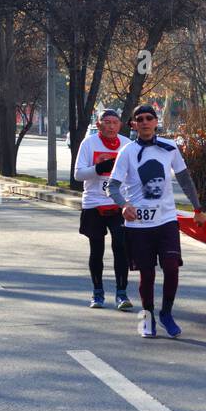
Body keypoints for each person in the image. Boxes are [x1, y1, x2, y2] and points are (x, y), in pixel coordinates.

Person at [107, 104, 206, 338]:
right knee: (147, 274)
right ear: (133, 124)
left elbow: (184, 179)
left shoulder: (170, 148)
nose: (144, 122)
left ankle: (167, 313)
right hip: (139, 225)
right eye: (139, 119)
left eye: (148, 118)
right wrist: (124, 205)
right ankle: (147, 316)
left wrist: (197, 208)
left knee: (172, 268)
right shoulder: (127, 152)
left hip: (166, 221)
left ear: (155, 121)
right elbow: (113, 186)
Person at [74, 109, 132, 309]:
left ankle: (122, 294)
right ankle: (97, 293)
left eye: (115, 122)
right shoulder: (88, 143)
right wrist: (100, 167)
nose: (111, 126)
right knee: (96, 249)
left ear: (120, 125)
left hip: (119, 203)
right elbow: (78, 175)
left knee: (121, 247)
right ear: (98, 124)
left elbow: (134, 174)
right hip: (94, 202)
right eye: (106, 122)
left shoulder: (127, 145)